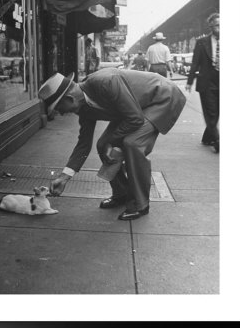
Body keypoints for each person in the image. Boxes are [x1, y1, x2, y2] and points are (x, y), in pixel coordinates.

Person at [38, 68, 186, 221]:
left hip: (161, 97)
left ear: (69, 99)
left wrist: (113, 142)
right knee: (103, 145)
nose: (61, 113)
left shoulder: (107, 82)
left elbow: (135, 119)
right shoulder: (83, 108)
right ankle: (121, 193)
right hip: (133, 108)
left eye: (59, 108)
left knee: (132, 143)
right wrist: (64, 178)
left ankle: (140, 204)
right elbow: (83, 144)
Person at [186, 13, 220, 153]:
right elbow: (195, 63)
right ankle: (217, 141)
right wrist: (189, 81)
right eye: (217, 25)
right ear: (211, 26)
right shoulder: (202, 42)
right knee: (211, 112)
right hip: (207, 82)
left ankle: (207, 137)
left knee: (217, 112)